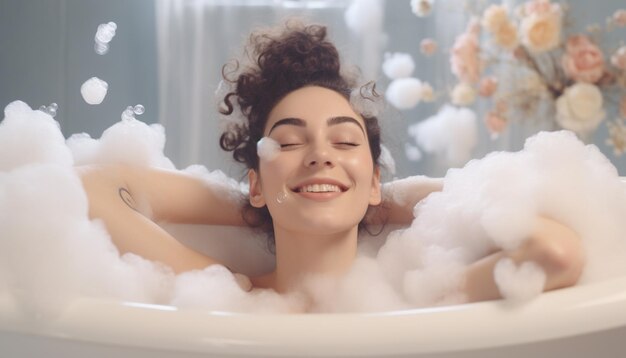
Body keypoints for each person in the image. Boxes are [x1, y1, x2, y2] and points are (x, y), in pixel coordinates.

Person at [78, 21, 584, 306]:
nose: (321, 154)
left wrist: (387, 200)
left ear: (374, 181)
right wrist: (258, 203)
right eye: (291, 143)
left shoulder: (413, 297)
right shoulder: (233, 296)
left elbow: (554, 253)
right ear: (255, 180)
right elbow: (96, 186)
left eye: (344, 144)